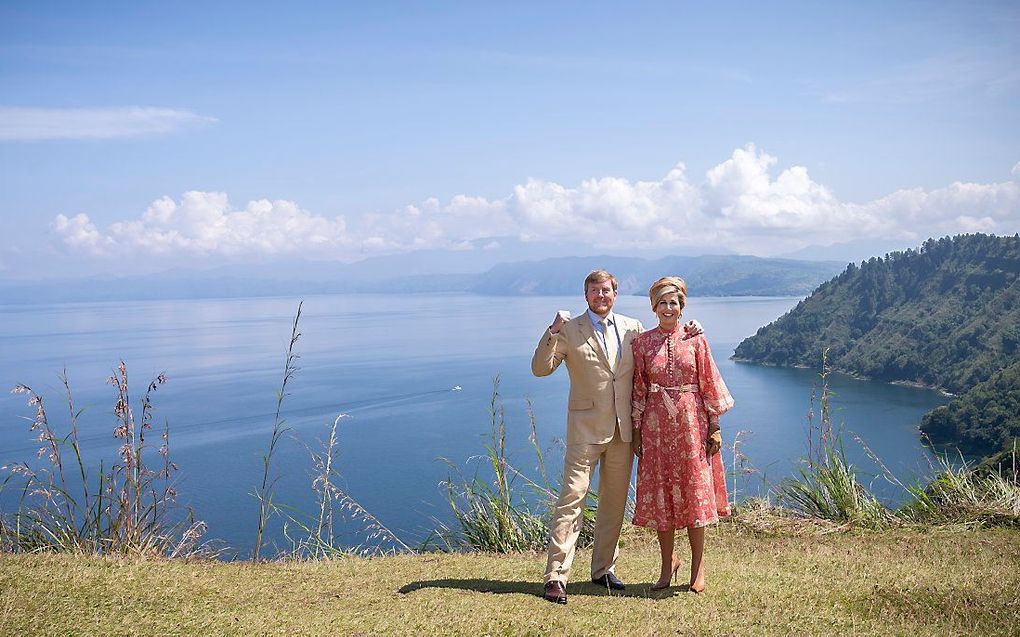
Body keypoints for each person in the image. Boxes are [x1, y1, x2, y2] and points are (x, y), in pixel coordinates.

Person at [532, 269, 701, 604]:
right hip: (585, 430)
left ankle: (602, 570)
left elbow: (658, 354)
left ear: (615, 294)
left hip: (623, 432)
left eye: (606, 290)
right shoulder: (568, 330)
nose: (601, 296)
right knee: (572, 500)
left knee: (613, 504)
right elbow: (541, 368)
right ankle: (556, 576)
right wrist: (551, 332)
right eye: (594, 291)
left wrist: (692, 330)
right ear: (586, 295)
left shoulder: (632, 329)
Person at [631, 276, 733, 593]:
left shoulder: (696, 339)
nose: (667, 307)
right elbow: (639, 388)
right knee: (663, 497)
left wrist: (715, 426)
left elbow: (709, 384)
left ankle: (698, 569)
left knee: (694, 496)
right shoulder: (643, 343)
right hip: (656, 427)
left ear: (681, 306)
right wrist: (636, 431)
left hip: (692, 426)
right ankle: (666, 566)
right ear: (654, 307)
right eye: (662, 302)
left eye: (673, 302)